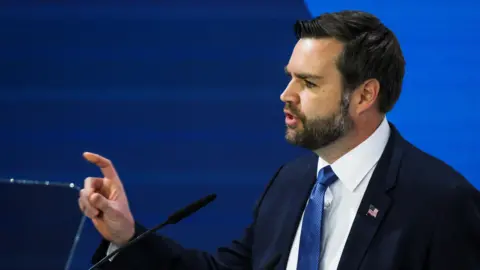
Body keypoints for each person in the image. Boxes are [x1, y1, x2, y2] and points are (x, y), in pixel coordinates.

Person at [78, 10, 480, 270]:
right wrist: (127, 236)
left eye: (308, 82)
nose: (286, 94)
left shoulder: (442, 202)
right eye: (290, 76)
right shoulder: (289, 183)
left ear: (364, 95)